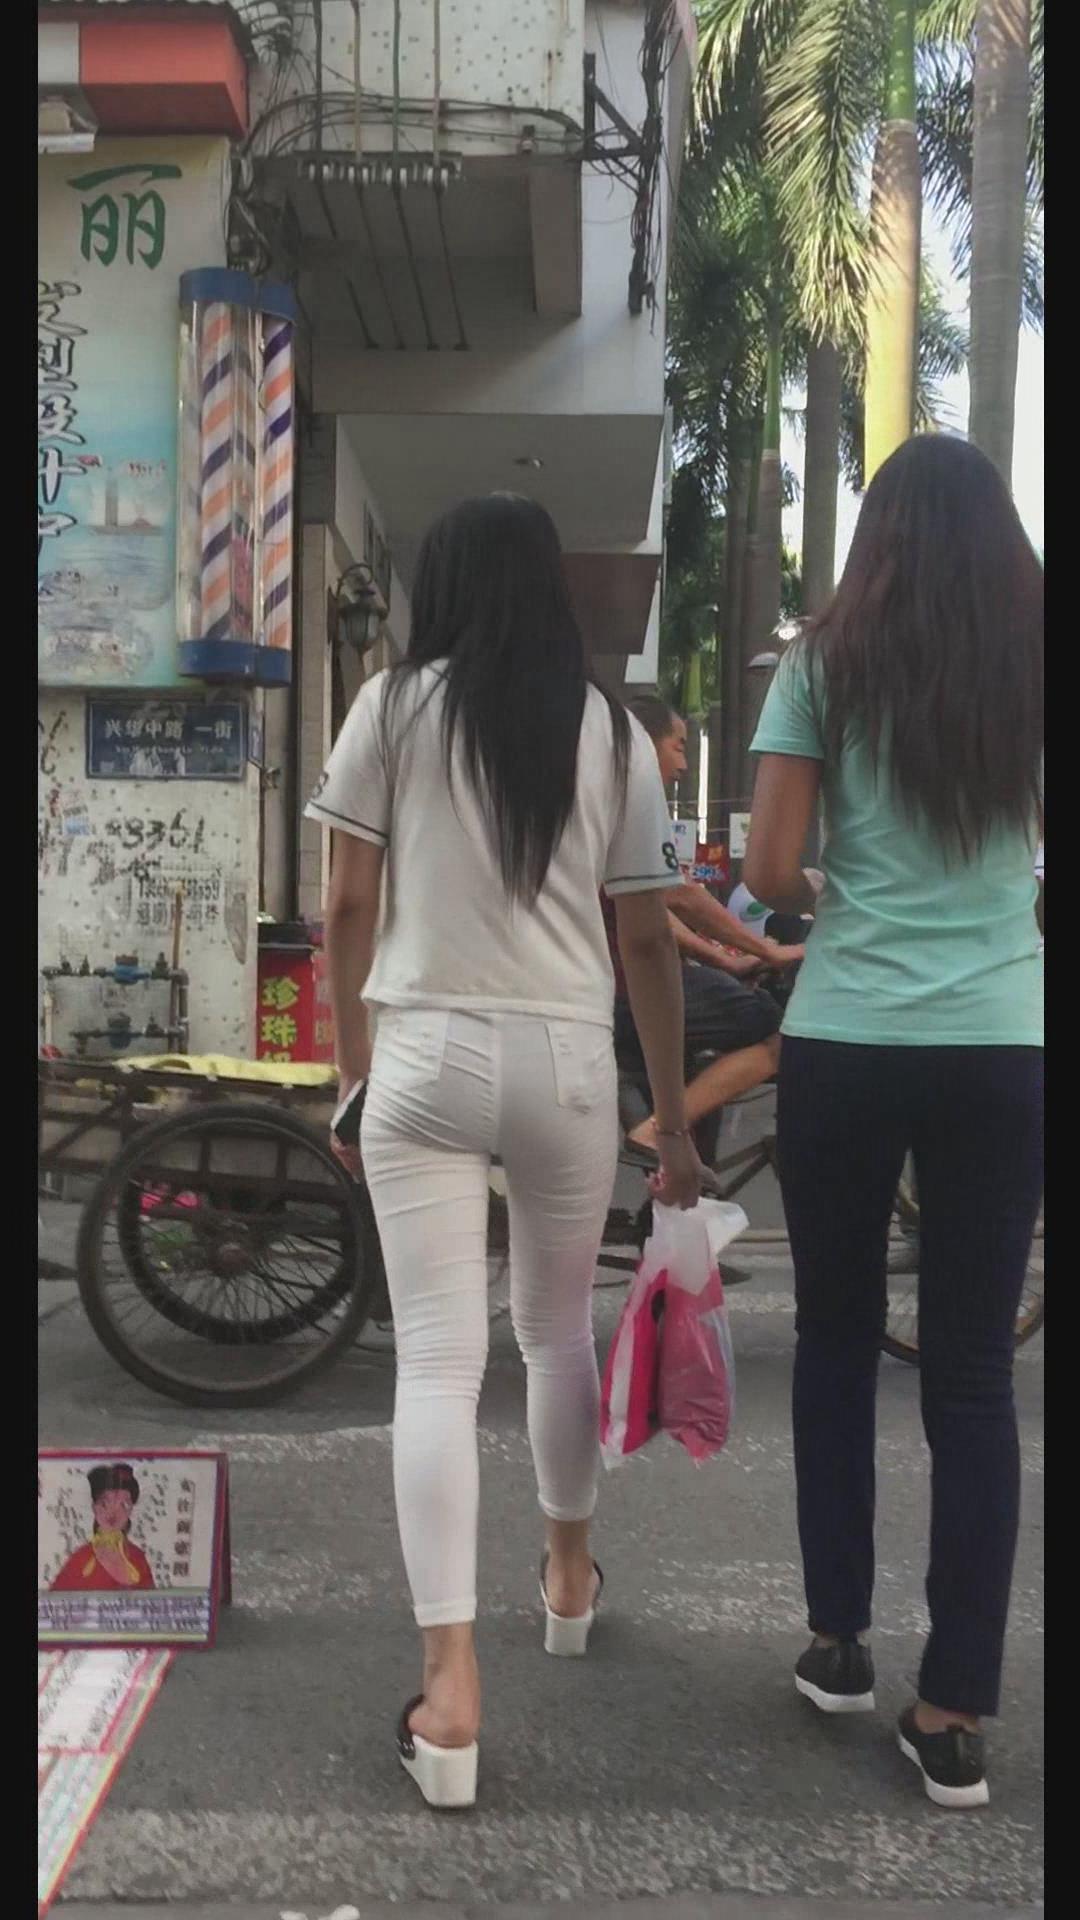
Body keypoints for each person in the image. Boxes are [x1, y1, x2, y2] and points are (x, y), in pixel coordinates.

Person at [308, 494, 703, 1810]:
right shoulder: (615, 735)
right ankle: (569, 1580)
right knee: (556, 1332)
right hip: (568, 1064)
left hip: (422, 1052)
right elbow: (645, 936)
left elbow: (348, 902)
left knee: (436, 1357)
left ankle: (451, 1691)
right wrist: (676, 1122)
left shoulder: (389, 710)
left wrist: (351, 1073)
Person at [745, 434, 1043, 1810]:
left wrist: (842, 899)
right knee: (975, 1374)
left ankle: (837, 1643)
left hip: (850, 1037)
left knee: (835, 1337)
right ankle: (956, 1711)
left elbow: (768, 866)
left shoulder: (824, 661)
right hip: (1002, 1044)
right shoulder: (1033, 662)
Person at [603, 696, 802, 1156]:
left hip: (605, 992)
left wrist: (724, 960)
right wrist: (768, 951)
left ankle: (674, 1155)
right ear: (643, 744)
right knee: (782, 1034)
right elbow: (678, 895)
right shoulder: (632, 803)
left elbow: (655, 913)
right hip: (632, 992)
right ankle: (661, 1128)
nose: (684, 765)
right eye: (678, 747)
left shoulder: (598, 802)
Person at [50, 1463, 156, 1592]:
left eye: (123, 1505)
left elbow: (153, 1600)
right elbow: (54, 1599)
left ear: (131, 1511)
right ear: (94, 1507)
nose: (113, 1513)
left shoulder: (137, 1557)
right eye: (104, 1504)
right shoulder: (81, 1557)